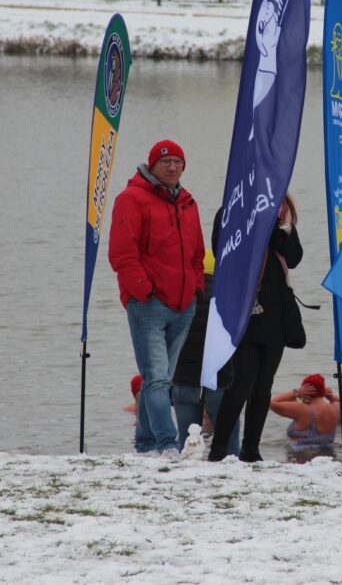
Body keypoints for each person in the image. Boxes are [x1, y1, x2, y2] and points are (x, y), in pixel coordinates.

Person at [108, 139, 205, 460]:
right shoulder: (131, 199)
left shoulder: (188, 202)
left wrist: (193, 288)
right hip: (148, 304)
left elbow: (196, 253)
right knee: (159, 378)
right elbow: (122, 253)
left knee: (159, 379)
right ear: (152, 165)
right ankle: (167, 444)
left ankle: (146, 444)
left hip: (183, 304)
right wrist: (143, 291)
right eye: (166, 162)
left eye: (178, 162)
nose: (173, 167)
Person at [209, 195, 304, 463]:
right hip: (246, 309)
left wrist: (275, 233)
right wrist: (255, 226)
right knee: (241, 383)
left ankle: (251, 449)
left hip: (277, 311)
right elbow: (220, 250)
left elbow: (294, 258)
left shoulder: (283, 215)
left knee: (264, 386)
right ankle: (218, 449)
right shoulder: (231, 209)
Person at [170, 250, 240, 455]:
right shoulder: (228, 297)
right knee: (229, 441)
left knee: (187, 443)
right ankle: (234, 470)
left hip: (183, 378)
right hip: (219, 378)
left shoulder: (179, 295)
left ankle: (186, 478)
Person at [271, 374, 338, 455]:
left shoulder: (303, 409)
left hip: (303, 458)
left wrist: (296, 393)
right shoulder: (335, 407)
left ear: (306, 391)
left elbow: (272, 403)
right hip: (329, 455)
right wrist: (330, 397)